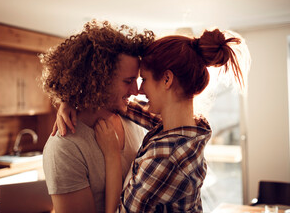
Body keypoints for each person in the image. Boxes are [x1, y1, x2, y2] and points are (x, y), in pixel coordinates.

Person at [56, 28, 250, 212]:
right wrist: (74, 98)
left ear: (167, 79)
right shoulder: (191, 128)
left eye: (144, 80)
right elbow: (123, 104)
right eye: (130, 81)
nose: (138, 91)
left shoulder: (165, 157)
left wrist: (111, 154)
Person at [39, 20, 155, 213]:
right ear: (98, 81)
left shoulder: (133, 118)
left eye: (137, 79)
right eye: (128, 81)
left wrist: (66, 100)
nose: (136, 91)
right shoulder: (65, 147)